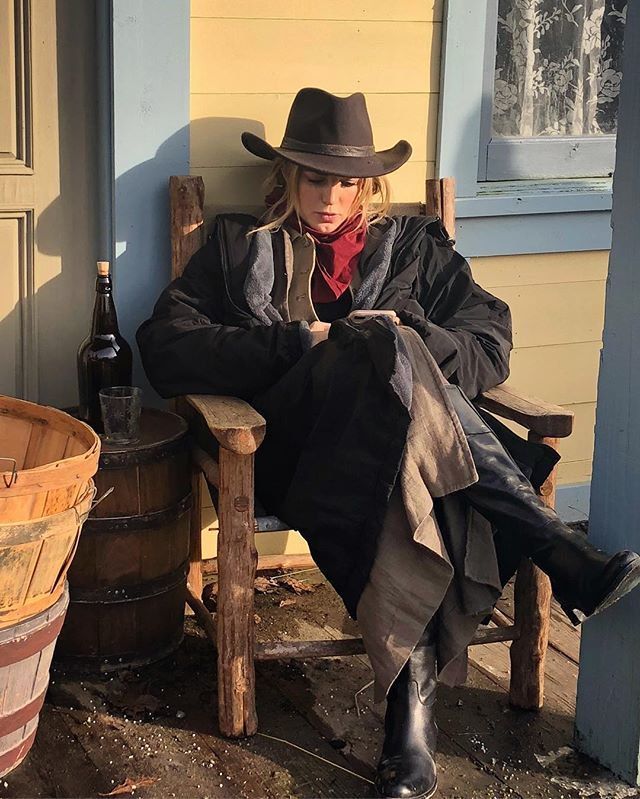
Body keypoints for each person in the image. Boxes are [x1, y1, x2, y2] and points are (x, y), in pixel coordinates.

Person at [137, 88, 640, 799]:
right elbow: (166, 347)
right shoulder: (236, 246)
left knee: (401, 377)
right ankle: (549, 542)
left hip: (404, 463)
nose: (332, 195)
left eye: (348, 180)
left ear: (369, 184)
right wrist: (297, 343)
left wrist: (419, 348)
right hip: (294, 453)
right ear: (286, 177)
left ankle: (411, 715)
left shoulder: (415, 250)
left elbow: (488, 342)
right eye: (316, 176)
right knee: (378, 340)